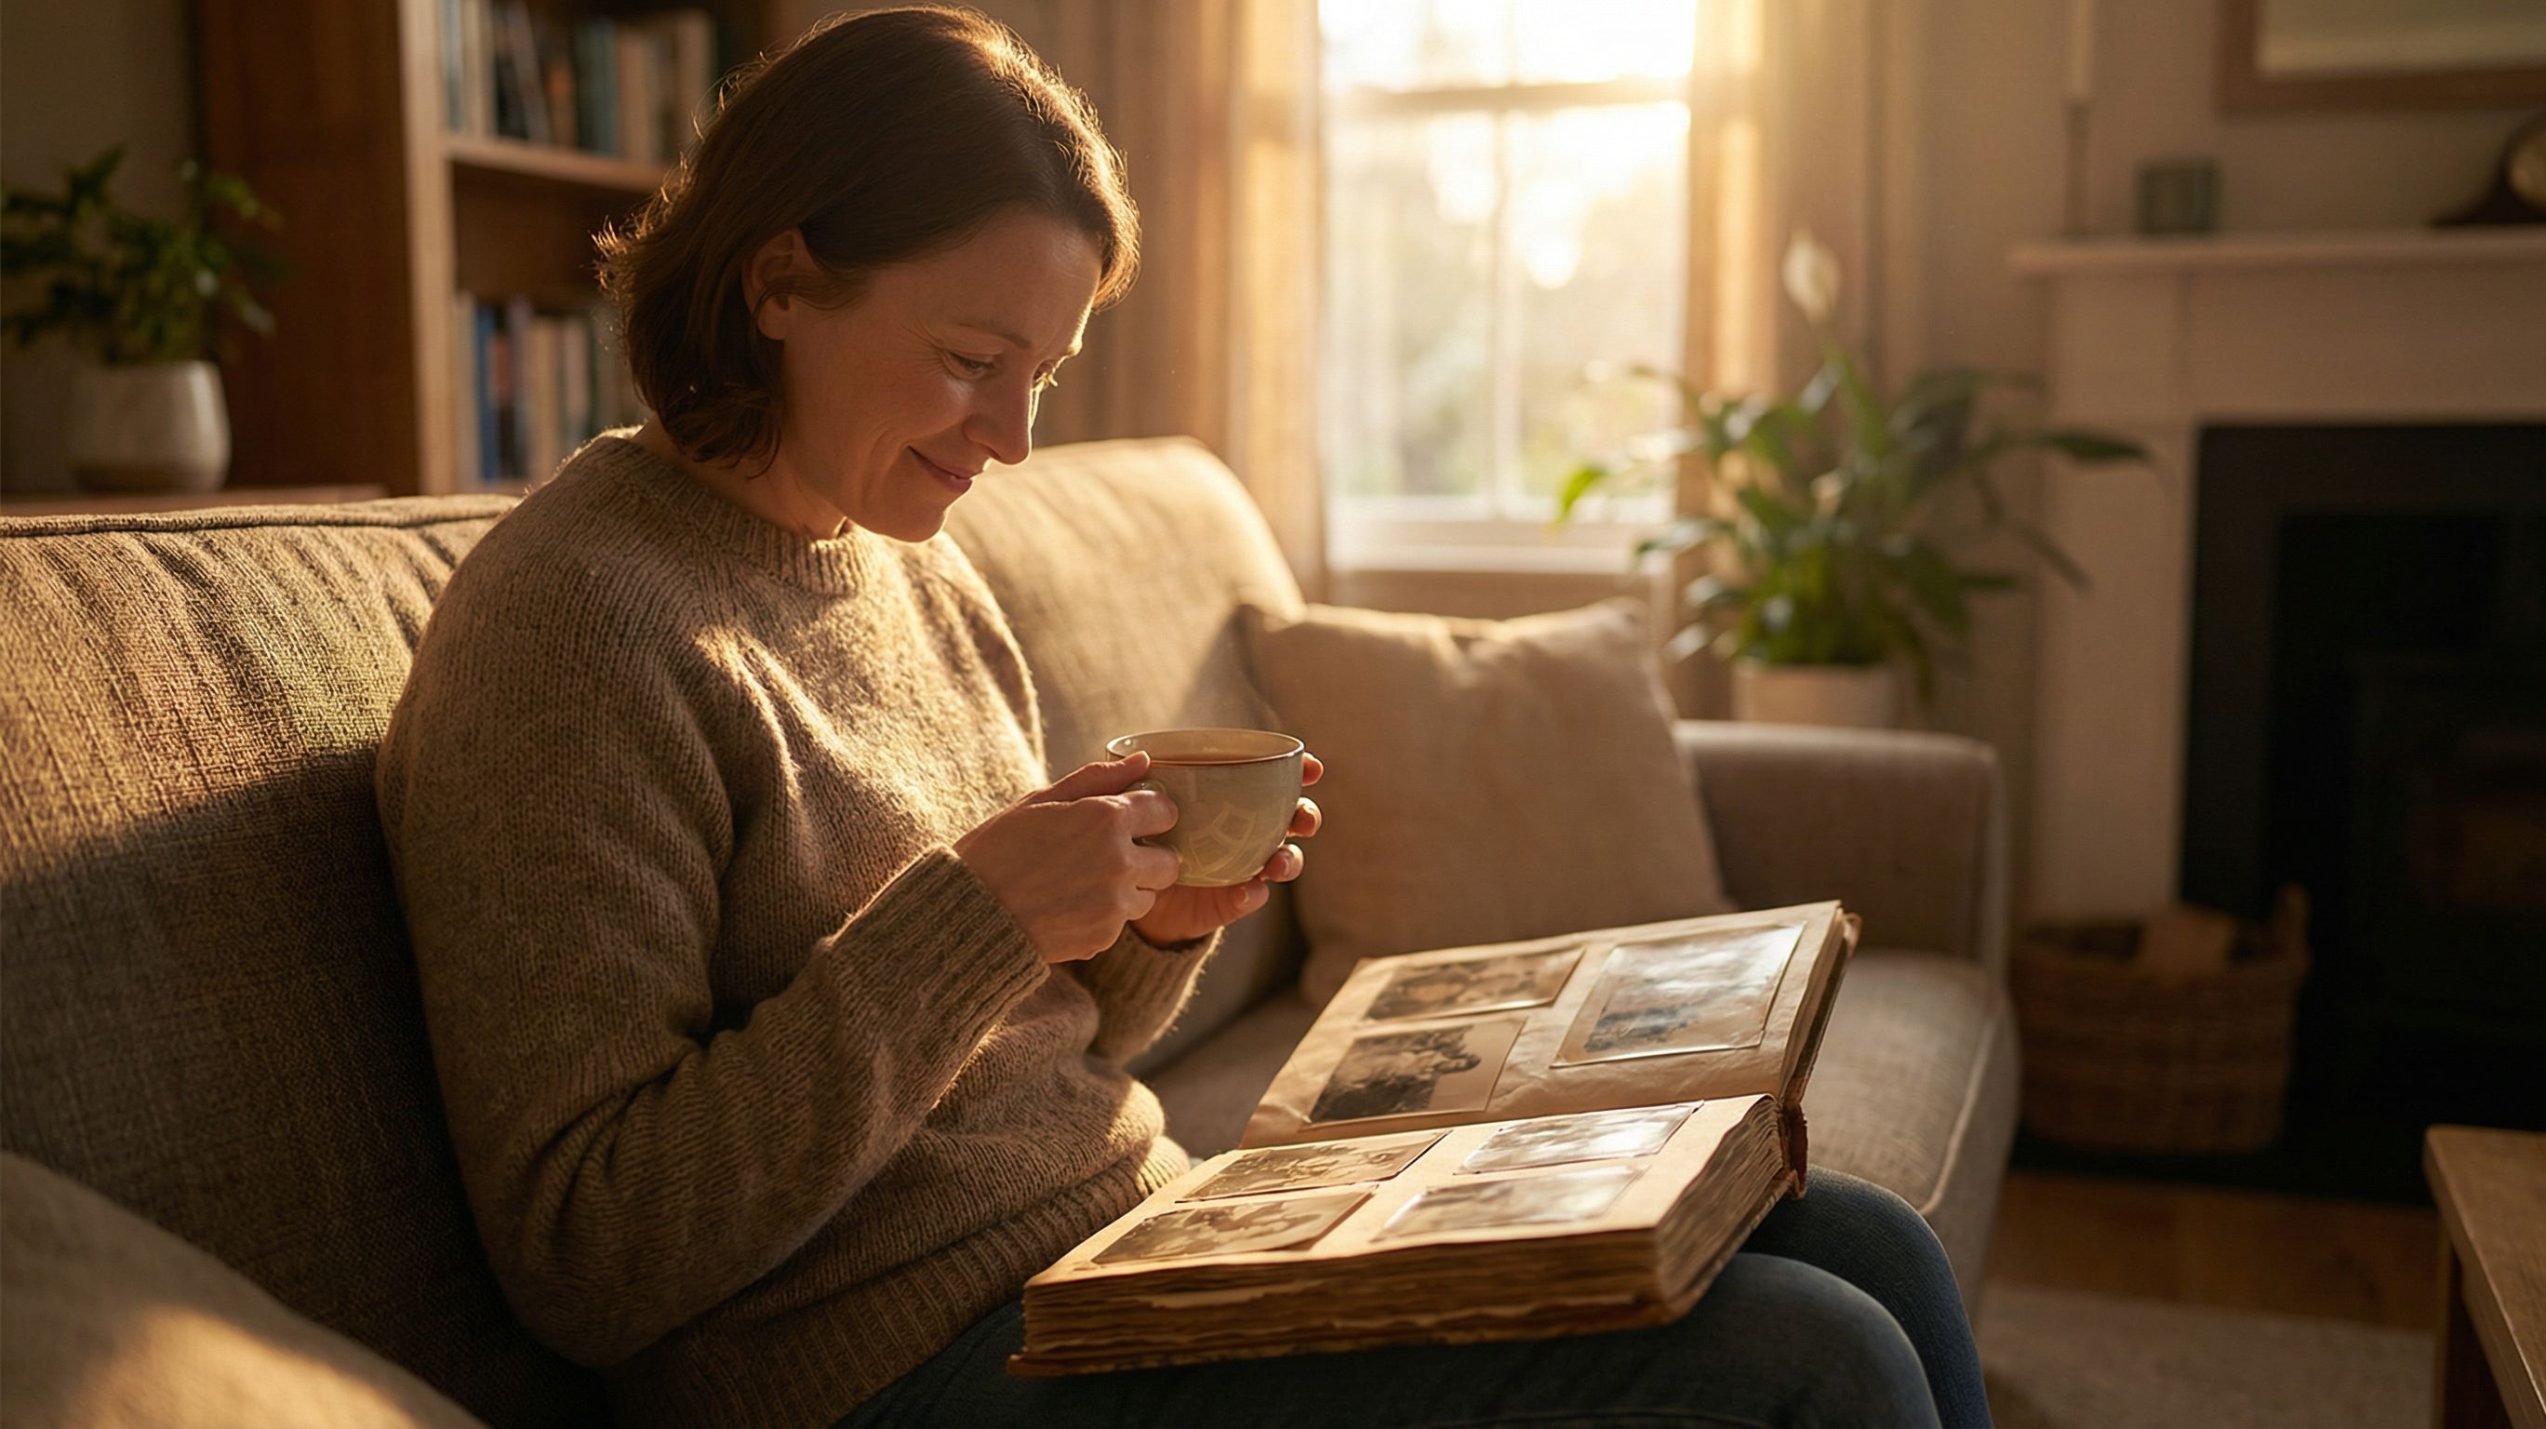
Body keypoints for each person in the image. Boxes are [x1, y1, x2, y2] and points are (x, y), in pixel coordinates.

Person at [374, 8, 1992, 1427]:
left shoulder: (896, 561)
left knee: (1860, 1241)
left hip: (1130, 1249)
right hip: (884, 1369)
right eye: (969, 359)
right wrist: (975, 914)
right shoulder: (573, 629)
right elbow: (589, 1248)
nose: (1010, 439)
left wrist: (1139, 921)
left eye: (1046, 377)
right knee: (1817, 1364)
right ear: (781, 278)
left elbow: (1027, 1045)